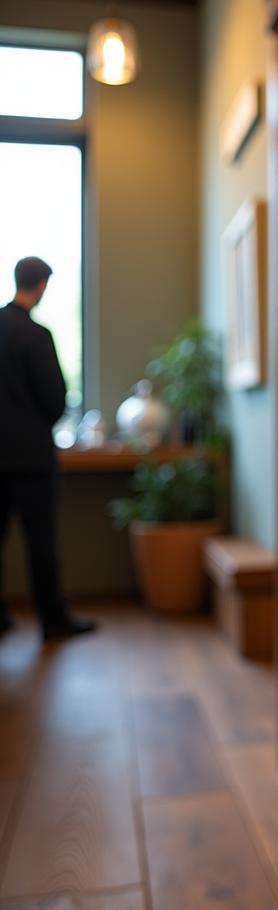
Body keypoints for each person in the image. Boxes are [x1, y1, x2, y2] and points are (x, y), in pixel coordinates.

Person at [0, 257, 95, 641]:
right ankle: (52, 620)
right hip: (32, 460)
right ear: (40, 285)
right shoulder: (37, 336)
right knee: (40, 542)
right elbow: (56, 400)